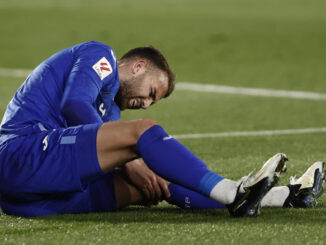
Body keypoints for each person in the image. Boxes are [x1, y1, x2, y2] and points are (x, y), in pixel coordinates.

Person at [0, 41, 320, 218]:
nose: (147, 103)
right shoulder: (102, 58)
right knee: (142, 133)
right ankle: (233, 193)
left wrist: (139, 171)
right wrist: (130, 161)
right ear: (139, 67)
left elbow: (89, 145)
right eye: (152, 92)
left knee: (157, 183)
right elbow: (74, 103)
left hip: (31, 200)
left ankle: (280, 196)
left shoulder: (109, 112)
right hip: (21, 153)